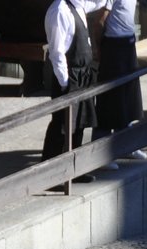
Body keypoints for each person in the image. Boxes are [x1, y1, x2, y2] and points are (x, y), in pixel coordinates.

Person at [42, 0, 103, 162]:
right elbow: (57, 52)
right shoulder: (59, 10)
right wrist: (65, 83)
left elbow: (98, 3)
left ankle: (75, 170)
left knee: (79, 125)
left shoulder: (79, 5)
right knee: (62, 126)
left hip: (84, 75)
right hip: (70, 77)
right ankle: (51, 174)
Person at [92, 0, 145, 160]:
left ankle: (127, 145)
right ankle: (100, 153)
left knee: (128, 97)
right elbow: (99, 21)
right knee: (109, 98)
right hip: (113, 45)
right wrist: (98, 47)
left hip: (128, 43)